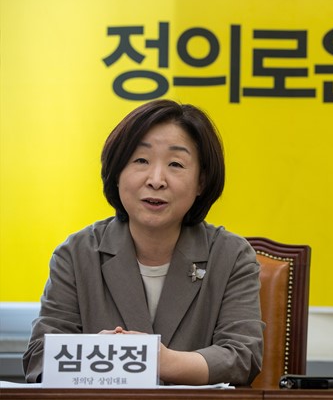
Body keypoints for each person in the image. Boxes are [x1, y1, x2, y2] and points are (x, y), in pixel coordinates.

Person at [23, 100, 264, 385]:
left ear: (201, 182)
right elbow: (40, 357)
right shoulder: (76, 254)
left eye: (175, 164)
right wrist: (94, 352)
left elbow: (241, 356)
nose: (156, 180)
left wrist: (154, 359)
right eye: (141, 160)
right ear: (117, 173)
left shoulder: (231, 256)